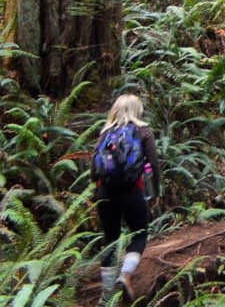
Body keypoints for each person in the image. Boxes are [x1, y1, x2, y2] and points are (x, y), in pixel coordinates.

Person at [92, 93, 160, 299]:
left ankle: (106, 296)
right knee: (139, 234)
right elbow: (154, 165)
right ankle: (126, 275)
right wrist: (154, 191)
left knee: (111, 240)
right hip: (132, 191)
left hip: (105, 193)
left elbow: (93, 167)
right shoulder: (143, 132)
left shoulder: (105, 133)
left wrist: (96, 192)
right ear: (137, 110)